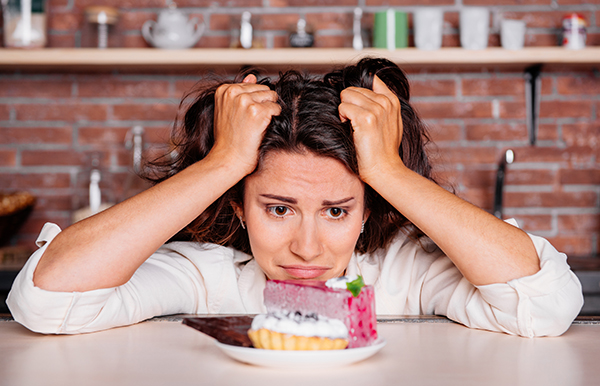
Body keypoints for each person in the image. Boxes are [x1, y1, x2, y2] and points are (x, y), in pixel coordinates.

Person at [7, 58, 582, 337]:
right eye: (278, 208)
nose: (306, 248)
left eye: (336, 211)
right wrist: (224, 163)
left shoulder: (408, 274)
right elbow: (48, 300)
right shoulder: (209, 278)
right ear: (239, 205)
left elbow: (547, 303)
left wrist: (389, 171)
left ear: (368, 210)